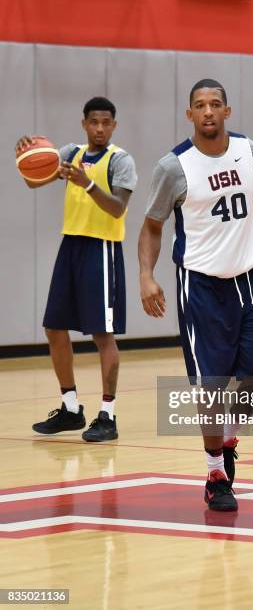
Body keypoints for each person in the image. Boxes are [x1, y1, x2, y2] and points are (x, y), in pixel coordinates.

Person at [138, 79, 253, 510]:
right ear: (190, 115)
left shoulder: (252, 153)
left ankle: (227, 437)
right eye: (200, 105)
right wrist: (146, 274)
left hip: (249, 281)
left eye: (215, 104)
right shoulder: (174, 168)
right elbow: (152, 226)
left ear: (227, 111)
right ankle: (215, 472)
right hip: (199, 285)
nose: (208, 111)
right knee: (212, 387)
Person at [15, 97, 137, 442]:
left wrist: (87, 183)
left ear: (114, 125)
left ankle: (108, 415)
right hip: (71, 245)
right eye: (93, 122)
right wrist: (25, 155)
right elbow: (32, 181)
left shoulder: (120, 160)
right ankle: (70, 407)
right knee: (54, 327)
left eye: (106, 122)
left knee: (102, 335)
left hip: (102, 248)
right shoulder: (70, 153)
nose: (99, 128)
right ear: (84, 124)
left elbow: (117, 208)